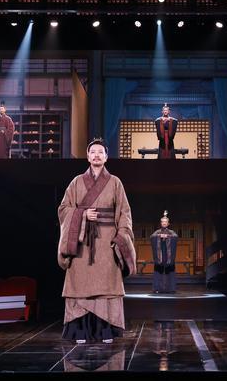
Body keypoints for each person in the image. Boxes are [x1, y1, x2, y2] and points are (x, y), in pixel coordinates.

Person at [57, 138, 137, 344]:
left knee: (107, 287)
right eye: (93, 152)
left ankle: (106, 331)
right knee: (79, 285)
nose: (96, 155)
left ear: (106, 157)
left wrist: (121, 236)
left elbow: (125, 213)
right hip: (82, 242)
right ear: (87, 156)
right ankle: (79, 332)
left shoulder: (115, 182)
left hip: (106, 243)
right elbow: (64, 209)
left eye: (100, 152)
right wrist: (82, 215)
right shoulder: (76, 182)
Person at [150, 211, 178, 294]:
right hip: (160, 255)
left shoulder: (171, 232)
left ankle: (171, 288)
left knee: (170, 270)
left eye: (165, 222)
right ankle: (157, 288)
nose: (164, 223)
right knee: (158, 271)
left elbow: (175, 237)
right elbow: (152, 237)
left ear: (168, 223)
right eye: (163, 222)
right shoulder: (157, 232)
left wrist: (168, 236)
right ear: (161, 223)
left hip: (168, 255)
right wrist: (159, 236)